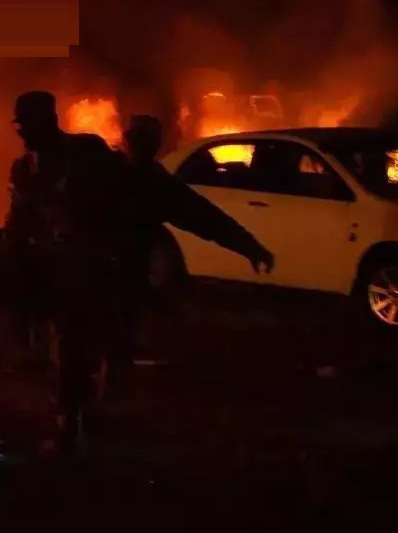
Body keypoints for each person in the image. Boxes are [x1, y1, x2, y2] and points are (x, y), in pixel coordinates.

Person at [109, 115, 275, 403]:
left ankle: (96, 402)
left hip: (115, 273)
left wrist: (250, 246)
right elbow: (204, 217)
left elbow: (203, 217)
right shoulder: (123, 176)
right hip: (103, 271)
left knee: (109, 340)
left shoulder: (146, 181)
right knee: (104, 339)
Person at [3, 90, 131, 453]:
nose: (22, 133)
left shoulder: (86, 152)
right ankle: (75, 420)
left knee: (88, 345)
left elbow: (120, 200)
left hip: (94, 266)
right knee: (67, 348)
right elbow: (19, 222)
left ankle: (80, 421)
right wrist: (12, 266)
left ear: (47, 121)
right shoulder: (26, 168)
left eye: (27, 125)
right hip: (59, 271)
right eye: (20, 126)